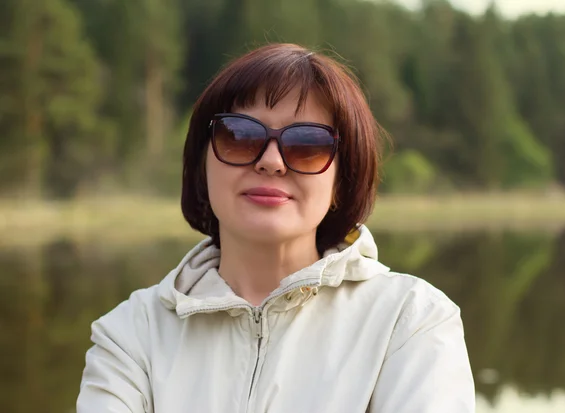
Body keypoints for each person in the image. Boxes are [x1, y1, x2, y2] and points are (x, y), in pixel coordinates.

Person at [77, 43, 475, 412]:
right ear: (203, 164)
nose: (271, 161)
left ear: (342, 179)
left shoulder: (409, 320)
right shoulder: (132, 333)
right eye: (239, 136)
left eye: (307, 144)